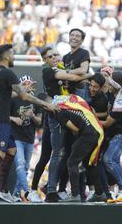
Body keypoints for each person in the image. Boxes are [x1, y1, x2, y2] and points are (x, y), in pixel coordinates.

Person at [0, 44, 56, 204]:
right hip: (0, 119)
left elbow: (7, 93)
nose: (14, 56)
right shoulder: (8, 73)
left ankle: (3, 190)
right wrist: (46, 104)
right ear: (7, 56)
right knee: (0, 153)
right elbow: (24, 97)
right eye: (13, 54)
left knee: (11, 150)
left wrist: (21, 89)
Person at [41, 46, 92, 202]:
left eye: (56, 54)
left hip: (66, 112)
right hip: (57, 115)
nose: (55, 57)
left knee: (67, 152)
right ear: (45, 60)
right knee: (57, 152)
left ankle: (64, 189)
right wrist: (90, 74)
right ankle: (50, 190)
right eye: (51, 56)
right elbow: (74, 78)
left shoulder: (60, 69)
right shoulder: (48, 71)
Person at [101, 71, 122, 197]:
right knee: (112, 159)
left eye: (110, 83)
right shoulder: (114, 93)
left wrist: (91, 118)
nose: (108, 85)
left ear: (116, 85)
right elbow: (107, 114)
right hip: (116, 133)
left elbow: (108, 122)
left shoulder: (121, 101)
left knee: (108, 159)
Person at [10, 75, 41, 201]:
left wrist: (33, 116)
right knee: (20, 164)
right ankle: (27, 192)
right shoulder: (14, 99)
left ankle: (16, 194)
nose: (28, 86)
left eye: (30, 83)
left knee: (26, 167)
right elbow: (2, 115)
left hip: (29, 137)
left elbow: (39, 121)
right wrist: (14, 118)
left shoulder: (34, 99)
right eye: (25, 84)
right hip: (16, 136)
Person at [63, 28, 91, 102]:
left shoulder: (84, 53)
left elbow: (83, 70)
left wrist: (67, 72)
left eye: (77, 36)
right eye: (72, 35)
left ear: (82, 41)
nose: (74, 37)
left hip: (80, 89)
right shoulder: (65, 57)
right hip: (69, 91)